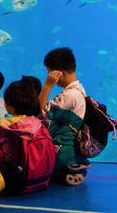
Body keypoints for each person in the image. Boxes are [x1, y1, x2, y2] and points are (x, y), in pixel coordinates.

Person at [38, 47, 90, 186]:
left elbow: (38, 112)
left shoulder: (69, 95)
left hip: (64, 152)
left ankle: (70, 169)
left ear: (58, 72)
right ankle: (72, 168)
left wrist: (47, 86)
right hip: (70, 149)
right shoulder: (79, 90)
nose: (49, 75)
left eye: (49, 72)